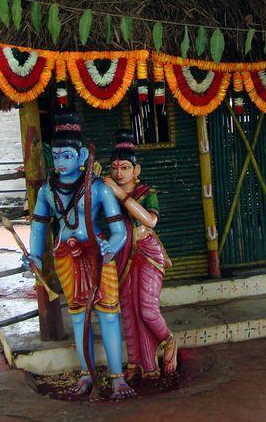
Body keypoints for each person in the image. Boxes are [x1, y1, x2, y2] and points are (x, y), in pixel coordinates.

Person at [27, 112, 134, 399]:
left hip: (97, 254)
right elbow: (38, 226)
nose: (60, 163)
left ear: (83, 155)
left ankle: (117, 377)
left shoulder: (98, 188)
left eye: (67, 156)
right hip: (66, 256)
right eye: (56, 156)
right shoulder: (47, 191)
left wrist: (112, 247)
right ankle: (87, 373)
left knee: (108, 315)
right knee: (77, 317)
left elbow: (118, 230)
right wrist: (35, 256)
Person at [103, 129, 177, 381]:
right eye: (114, 168)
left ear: (136, 170)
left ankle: (168, 340)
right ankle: (138, 362)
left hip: (147, 253)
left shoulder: (146, 192)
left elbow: (150, 221)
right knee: (128, 312)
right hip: (123, 253)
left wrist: (120, 194)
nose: (119, 173)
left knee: (146, 309)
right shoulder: (108, 193)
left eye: (125, 167)